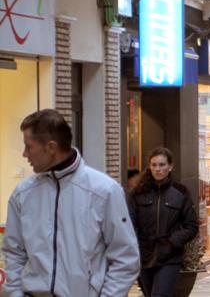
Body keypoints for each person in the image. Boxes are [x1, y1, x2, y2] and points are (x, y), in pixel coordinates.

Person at [3, 109, 140, 296]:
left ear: (51, 147)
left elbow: (125, 258)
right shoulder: (22, 195)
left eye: (29, 146)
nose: (24, 154)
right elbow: (14, 253)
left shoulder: (104, 191)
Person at [128, 147, 199, 297]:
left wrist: (173, 242)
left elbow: (191, 226)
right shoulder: (138, 193)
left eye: (161, 165)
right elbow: (129, 223)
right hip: (144, 255)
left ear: (170, 166)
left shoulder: (181, 192)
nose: (157, 169)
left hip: (169, 256)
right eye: (154, 165)